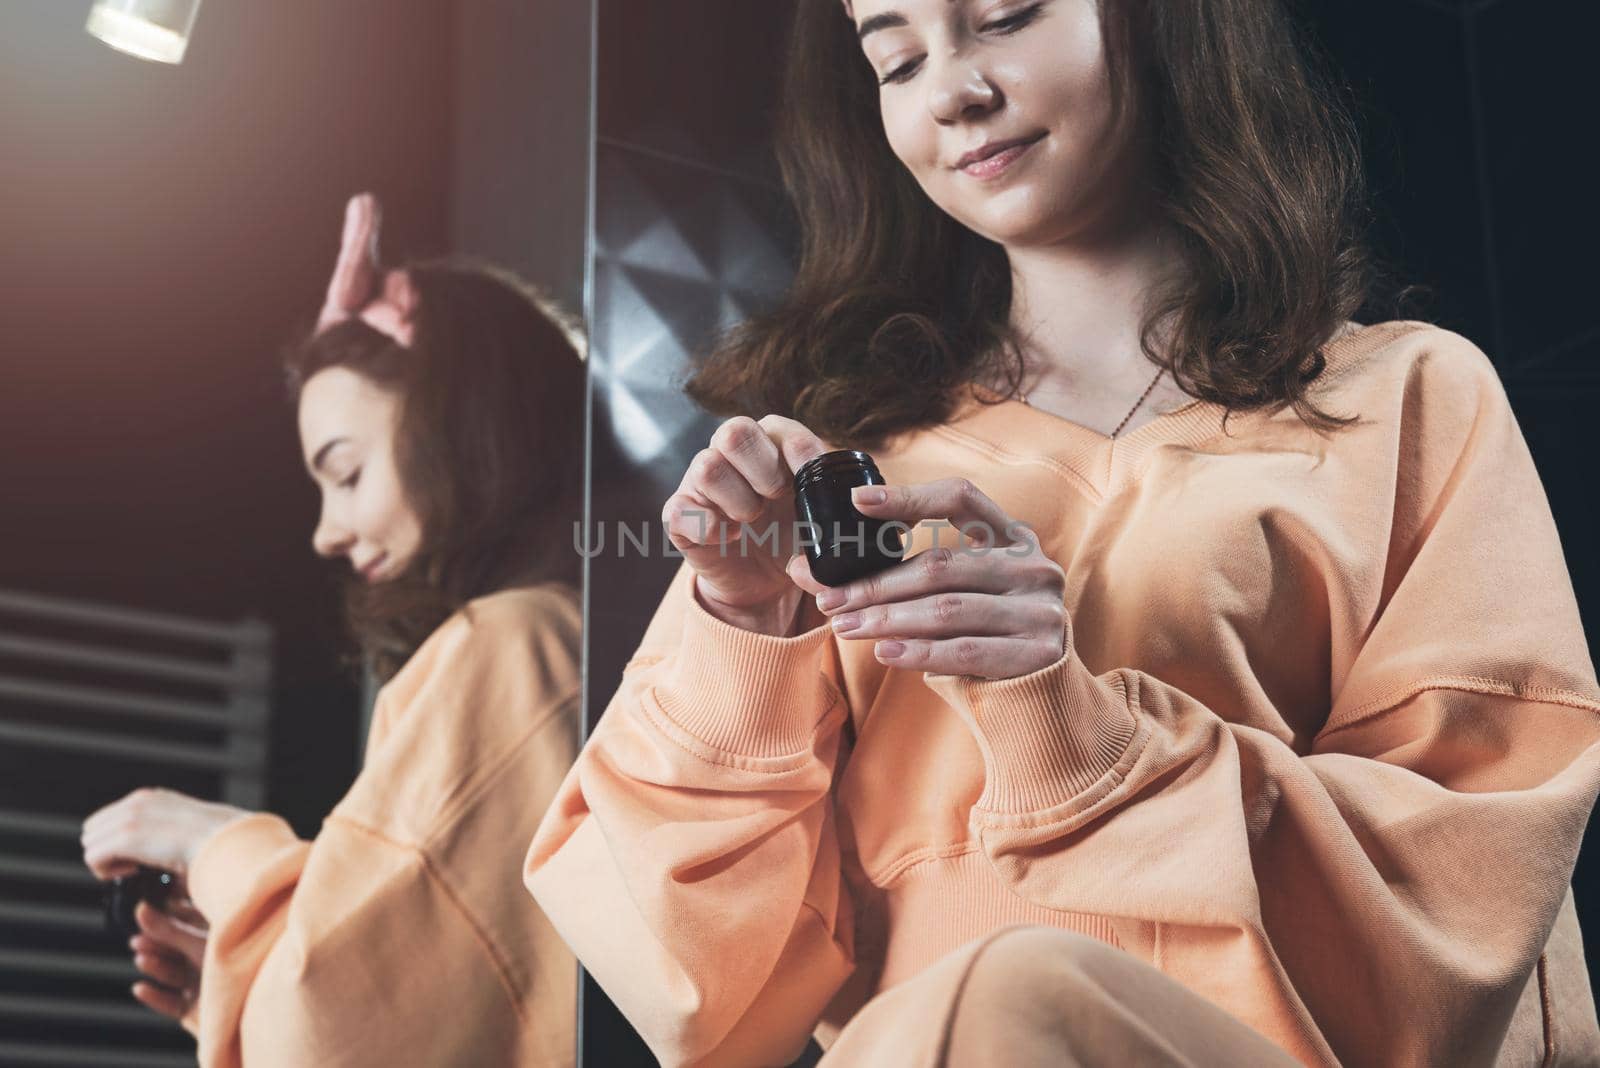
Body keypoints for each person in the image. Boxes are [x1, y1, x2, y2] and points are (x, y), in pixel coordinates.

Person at [524, 1, 1600, 1065]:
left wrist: (1081, 733)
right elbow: (695, 998)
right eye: (895, 60)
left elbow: (1470, 899)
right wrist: (746, 631)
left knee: (1009, 992)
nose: (952, 89)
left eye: (1003, 17)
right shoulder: (854, 470)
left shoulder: (1408, 396)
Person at [81, 194, 585, 1067]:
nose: (325, 531)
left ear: (461, 427)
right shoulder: (566, 637)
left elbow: (343, 1035)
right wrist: (245, 983)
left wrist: (208, 843)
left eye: (345, 473)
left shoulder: (505, 646)